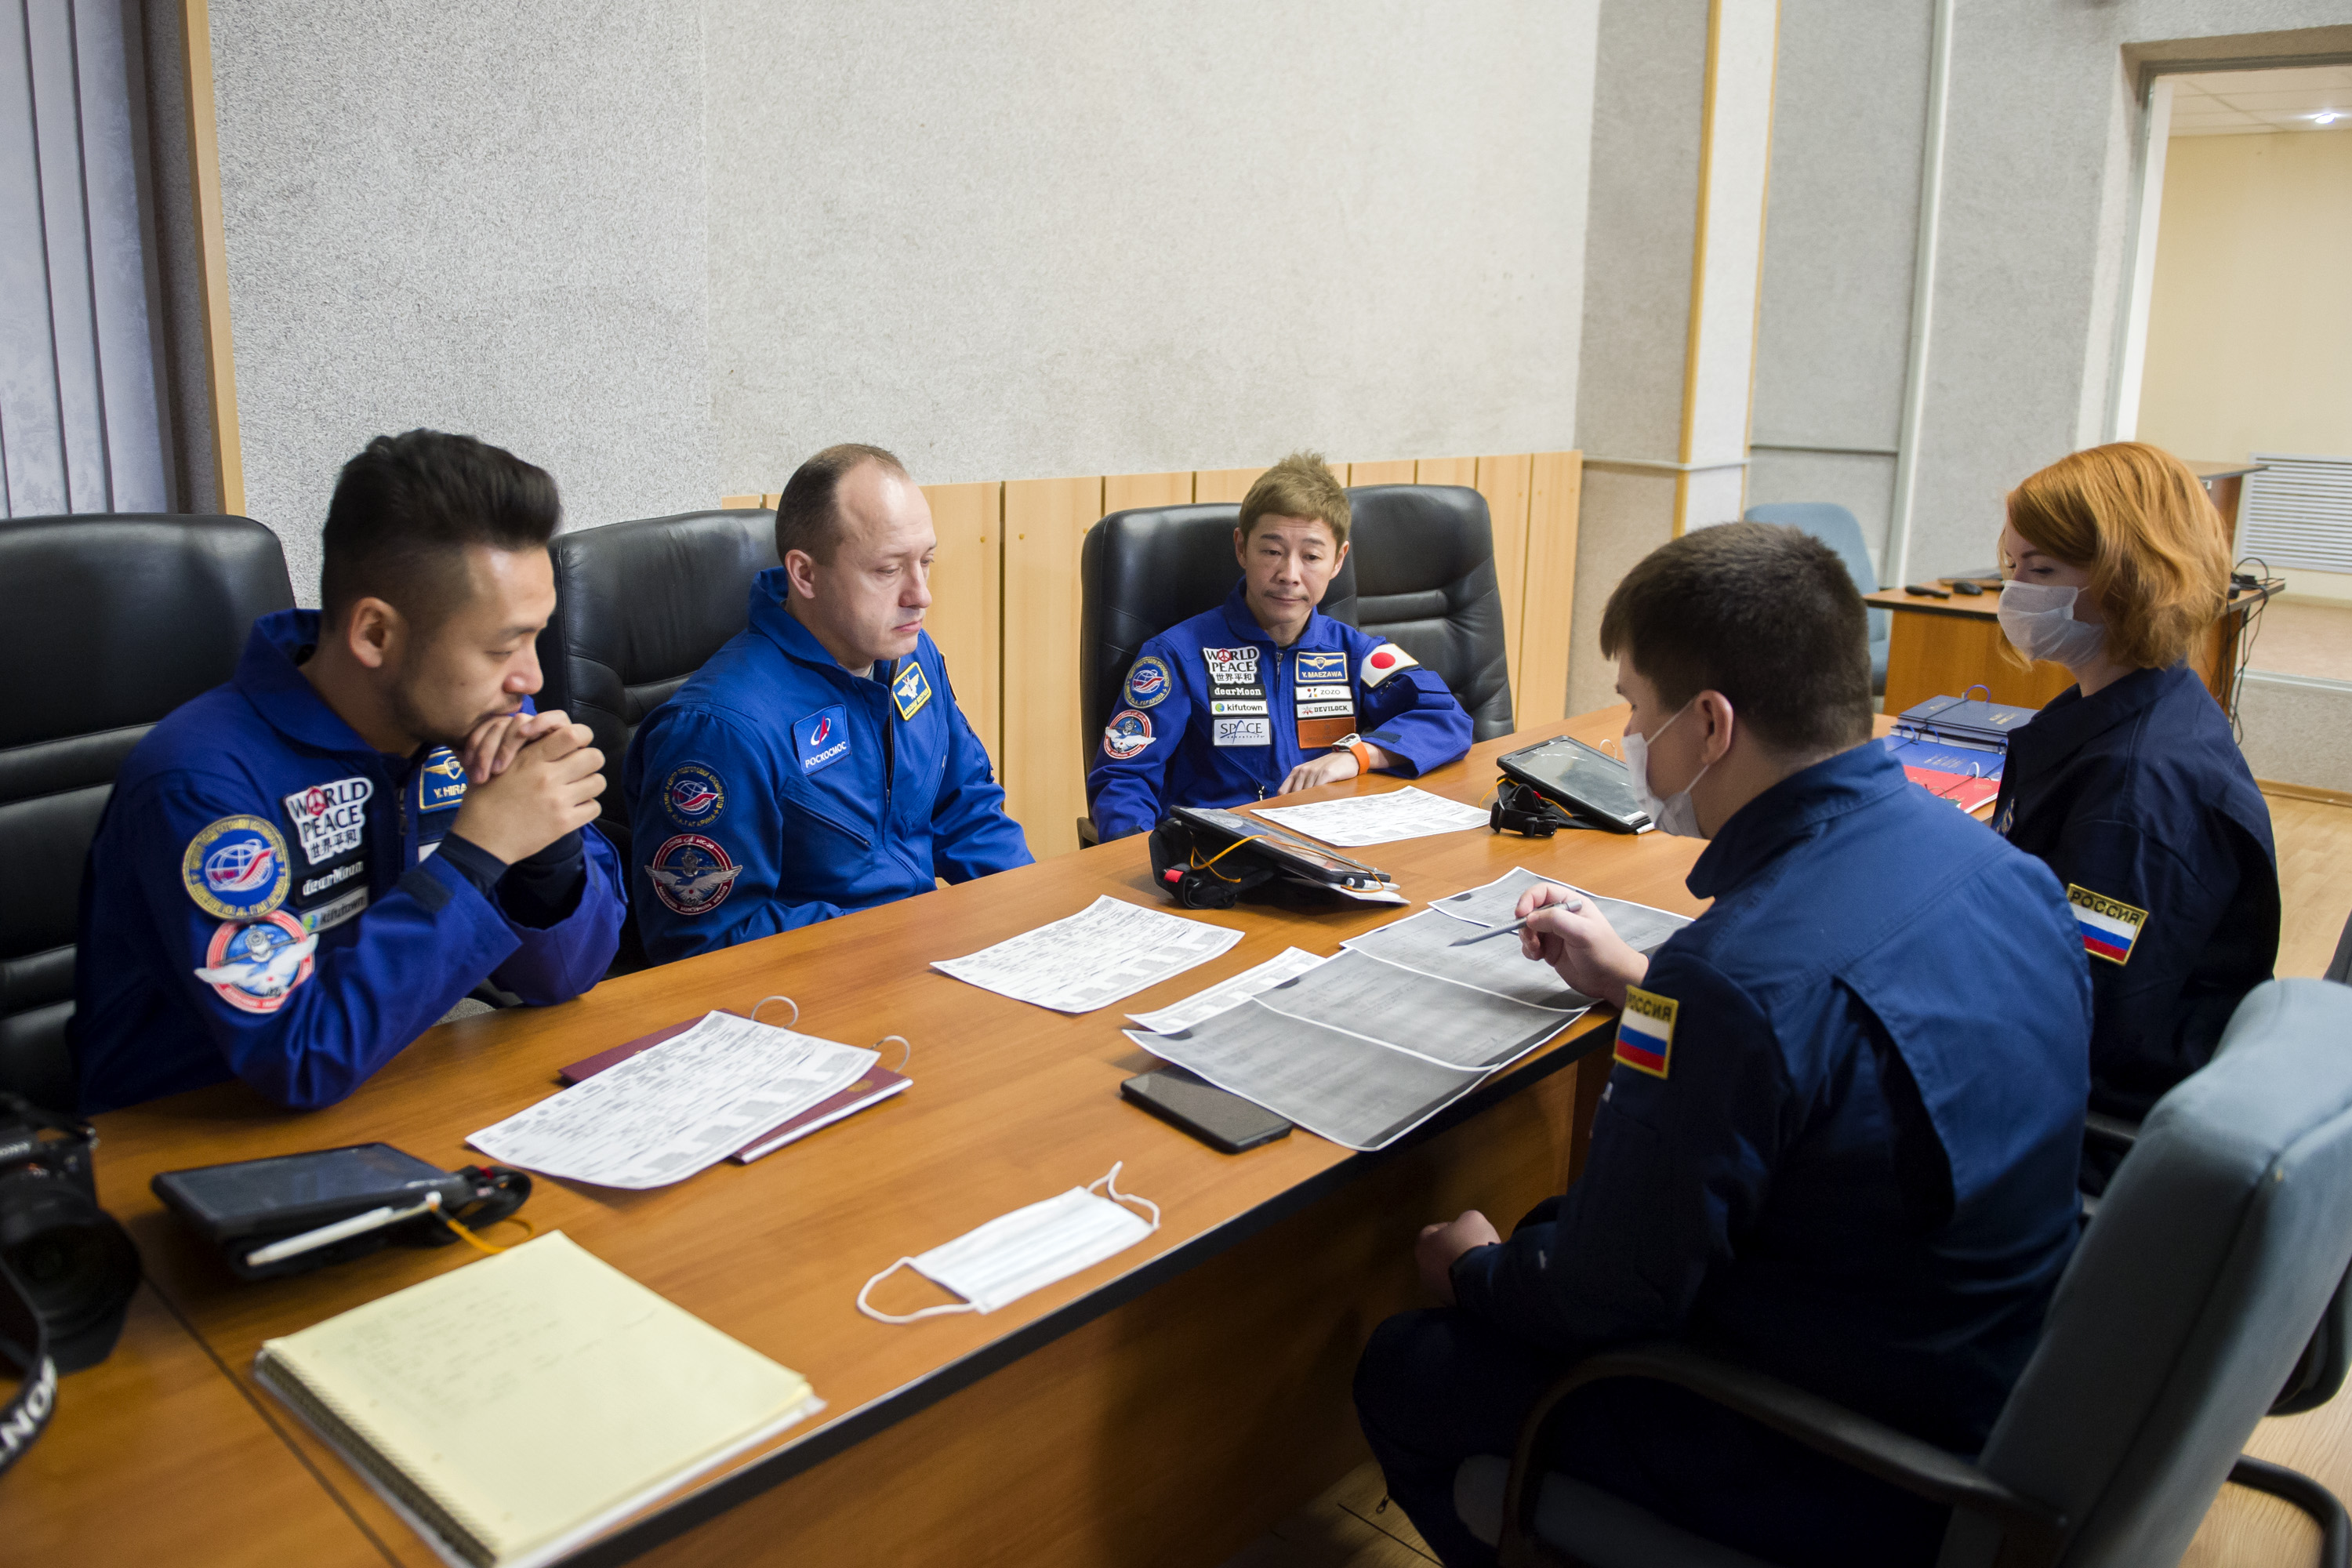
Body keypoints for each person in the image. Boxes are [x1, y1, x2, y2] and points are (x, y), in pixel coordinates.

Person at [1354, 523, 2091, 1568]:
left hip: (1845, 1457)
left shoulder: (1730, 982)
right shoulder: (2003, 869)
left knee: (1411, 1362)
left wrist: (1475, 1271)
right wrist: (1643, 987)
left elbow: (1606, 1297)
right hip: (1991, 1384)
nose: (1629, 737)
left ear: (1709, 723)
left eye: (1635, 708)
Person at [74, 430, 627, 1113]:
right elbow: (297, 1056)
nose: (532, 678)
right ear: (375, 635)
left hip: (405, 1086)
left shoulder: (476, 717)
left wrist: (548, 855)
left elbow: (566, 976)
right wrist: (478, 855)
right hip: (201, 1139)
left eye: (536, 636)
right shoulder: (200, 783)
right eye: (500, 648)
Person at [622, 443, 1030, 962]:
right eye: (888, 570)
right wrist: (902, 937)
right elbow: (703, 944)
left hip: (917, 958)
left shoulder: (909, 654)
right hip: (817, 986)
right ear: (805, 574)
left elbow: (965, 805)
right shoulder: (718, 731)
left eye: (925, 561)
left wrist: (1036, 918)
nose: (921, 595)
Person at [1991, 441, 2279, 1131]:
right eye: (2010, 566)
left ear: (2133, 579)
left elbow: (2082, 1018)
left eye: (2042, 569)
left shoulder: (2133, 795)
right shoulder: (2152, 699)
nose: (2014, 592)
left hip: (2091, 1118)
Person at [1085, 452, 1472, 840]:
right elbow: (1122, 780)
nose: (1289, 574)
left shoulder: (1352, 651)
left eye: (1312, 556)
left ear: (1338, 560)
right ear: (1241, 548)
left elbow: (1447, 720)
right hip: (1217, 855)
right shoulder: (1175, 657)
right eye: (1272, 552)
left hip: (1327, 848)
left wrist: (1357, 756)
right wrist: (1147, 859)